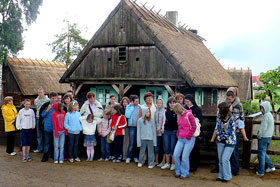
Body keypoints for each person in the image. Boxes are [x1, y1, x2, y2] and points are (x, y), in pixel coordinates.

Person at [173, 103, 196, 179]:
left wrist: (189, 136)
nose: (175, 113)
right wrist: (178, 134)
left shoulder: (189, 115)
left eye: (176, 111)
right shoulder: (178, 116)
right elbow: (179, 127)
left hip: (189, 139)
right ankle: (178, 171)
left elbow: (194, 126)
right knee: (176, 154)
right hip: (181, 138)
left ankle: (185, 173)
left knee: (184, 157)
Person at [215, 102, 236, 183]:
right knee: (220, 159)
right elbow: (217, 127)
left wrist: (222, 136)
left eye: (220, 109)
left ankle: (227, 176)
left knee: (225, 159)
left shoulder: (232, 119)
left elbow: (231, 131)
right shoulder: (220, 118)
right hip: (220, 141)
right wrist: (217, 135)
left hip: (230, 142)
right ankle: (221, 176)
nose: (219, 111)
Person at [256, 101, 275, 176]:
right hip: (268, 137)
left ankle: (261, 171)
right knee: (263, 153)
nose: (261, 110)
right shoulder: (270, 115)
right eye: (261, 108)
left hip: (263, 137)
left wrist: (259, 134)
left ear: (266, 108)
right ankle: (271, 166)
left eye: (262, 108)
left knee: (261, 154)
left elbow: (263, 127)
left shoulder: (266, 116)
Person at [184, 94, 203, 172]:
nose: (186, 103)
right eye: (185, 102)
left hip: (195, 133)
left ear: (191, 101)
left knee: (195, 150)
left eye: (187, 101)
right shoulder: (184, 109)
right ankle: (188, 166)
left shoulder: (197, 109)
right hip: (186, 133)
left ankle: (194, 166)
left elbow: (200, 120)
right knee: (187, 151)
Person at [161, 97, 177, 170]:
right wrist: (162, 129)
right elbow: (164, 121)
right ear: (168, 104)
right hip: (166, 131)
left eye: (173, 102)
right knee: (166, 147)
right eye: (170, 103)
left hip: (174, 131)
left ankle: (173, 164)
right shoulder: (166, 111)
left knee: (172, 147)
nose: (172, 104)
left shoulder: (177, 111)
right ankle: (167, 163)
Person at [40, 92, 57, 162]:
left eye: (55, 98)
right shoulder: (46, 105)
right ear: (50, 98)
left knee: (54, 143)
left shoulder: (58, 105)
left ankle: (53, 155)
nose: (54, 99)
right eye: (52, 98)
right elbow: (42, 115)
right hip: (47, 127)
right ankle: (45, 156)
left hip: (55, 127)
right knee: (47, 142)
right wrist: (47, 109)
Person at [125, 95, 142, 163]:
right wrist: (132, 107)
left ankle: (135, 157)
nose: (138, 102)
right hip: (131, 126)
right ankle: (128, 157)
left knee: (137, 142)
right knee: (131, 142)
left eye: (138, 101)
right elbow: (127, 115)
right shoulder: (128, 107)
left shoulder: (140, 107)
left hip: (138, 126)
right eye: (136, 101)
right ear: (133, 101)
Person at [34, 88, 49, 153]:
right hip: (38, 117)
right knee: (39, 133)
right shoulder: (36, 100)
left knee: (45, 133)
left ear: (44, 92)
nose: (40, 93)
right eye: (39, 92)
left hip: (45, 117)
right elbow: (36, 108)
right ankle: (40, 147)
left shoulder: (47, 100)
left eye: (41, 92)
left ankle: (46, 148)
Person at [154, 98, 166, 165]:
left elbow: (163, 121)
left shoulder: (164, 111)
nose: (159, 104)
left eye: (160, 103)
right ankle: (156, 161)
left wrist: (161, 128)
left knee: (164, 146)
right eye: (158, 103)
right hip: (156, 132)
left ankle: (163, 161)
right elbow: (155, 121)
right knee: (157, 146)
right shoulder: (156, 111)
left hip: (163, 131)